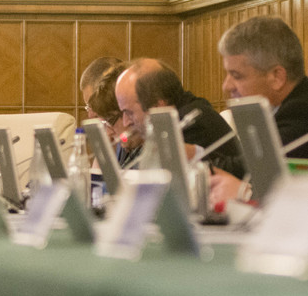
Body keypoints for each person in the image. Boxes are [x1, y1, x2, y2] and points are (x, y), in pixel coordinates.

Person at [212, 16, 308, 204]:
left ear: (277, 77)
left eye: (236, 75)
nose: (227, 86)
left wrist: (243, 192)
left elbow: (251, 169)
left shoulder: (300, 113)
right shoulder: (284, 107)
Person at [115, 58, 245, 179]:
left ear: (158, 107)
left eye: (129, 113)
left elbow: (162, 184)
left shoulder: (191, 124)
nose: (125, 122)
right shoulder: (181, 113)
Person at [88, 62, 144, 167]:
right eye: (105, 123)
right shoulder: (124, 142)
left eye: (111, 120)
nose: (109, 133)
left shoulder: (156, 153)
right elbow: (98, 175)